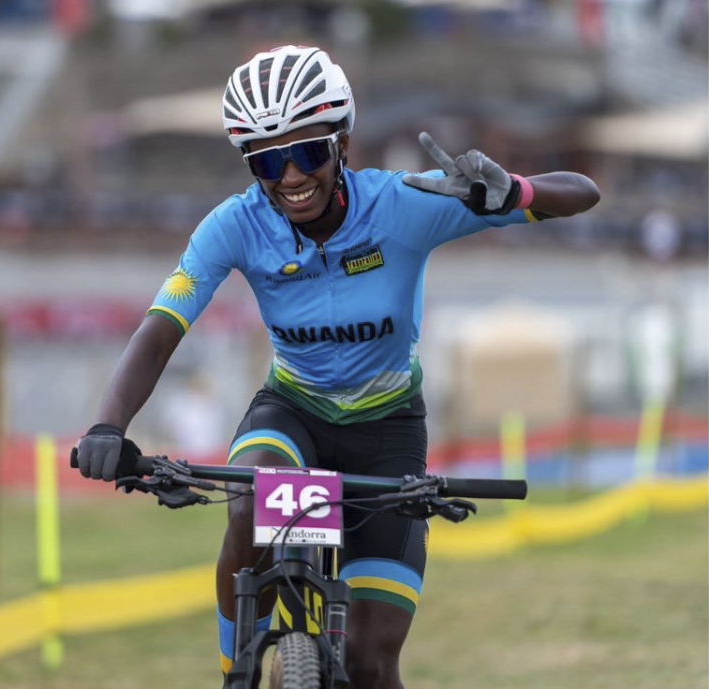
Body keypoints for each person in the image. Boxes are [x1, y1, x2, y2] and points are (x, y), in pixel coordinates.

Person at [74, 44, 600, 688]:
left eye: (309, 152)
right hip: (293, 416)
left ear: (344, 144)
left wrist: (512, 192)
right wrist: (108, 424)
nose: (291, 175)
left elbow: (584, 193)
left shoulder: (404, 204)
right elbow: (161, 330)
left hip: (387, 433)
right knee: (249, 506)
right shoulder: (234, 225)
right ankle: (232, 672)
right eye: (268, 160)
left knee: (371, 664)